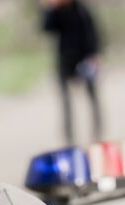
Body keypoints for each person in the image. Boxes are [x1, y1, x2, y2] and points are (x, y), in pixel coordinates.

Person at [40, 0, 103, 145]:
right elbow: (46, 28)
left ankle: (97, 134)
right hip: (65, 61)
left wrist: (94, 55)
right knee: (66, 103)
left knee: (92, 98)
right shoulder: (56, 12)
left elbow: (92, 33)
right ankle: (69, 139)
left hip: (85, 59)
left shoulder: (81, 9)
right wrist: (50, 9)